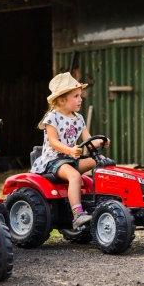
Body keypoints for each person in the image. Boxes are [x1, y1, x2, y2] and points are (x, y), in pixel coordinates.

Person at [31, 72, 111, 230]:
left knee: (101, 161)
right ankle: (78, 215)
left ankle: (102, 202)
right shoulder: (51, 118)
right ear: (62, 100)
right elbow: (53, 142)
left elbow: (88, 140)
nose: (80, 99)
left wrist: (101, 141)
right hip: (53, 161)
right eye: (76, 96)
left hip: (70, 159)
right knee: (74, 176)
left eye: (80, 95)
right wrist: (69, 149)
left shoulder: (78, 118)